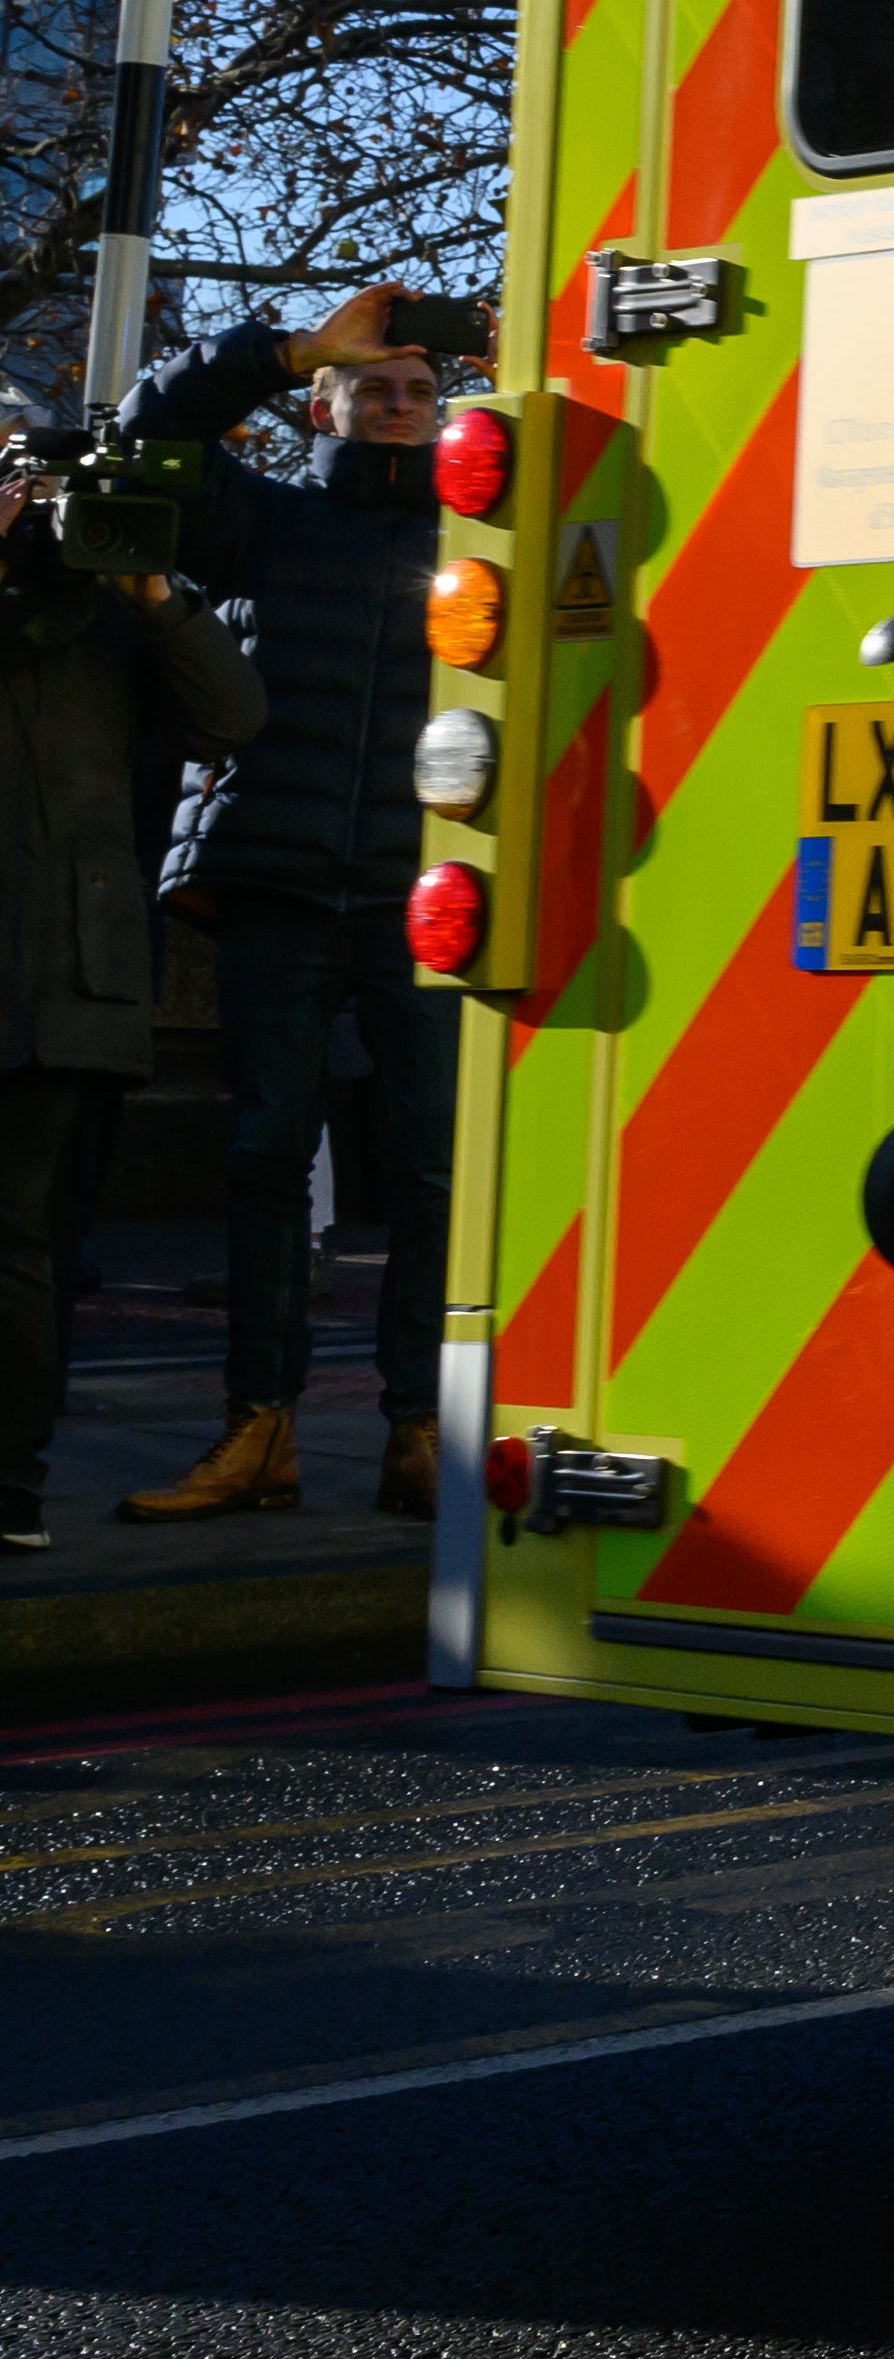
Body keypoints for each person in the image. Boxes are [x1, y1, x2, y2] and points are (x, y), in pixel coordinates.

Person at [115, 286, 457, 1525]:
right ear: (327, 400)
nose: (398, 406)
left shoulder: (488, 549)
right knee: (265, 1154)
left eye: (419, 391)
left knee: (428, 1173)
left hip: (426, 900)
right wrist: (294, 342)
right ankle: (257, 1429)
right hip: (275, 880)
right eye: (374, 386)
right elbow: (149, 431)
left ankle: (417, 1431)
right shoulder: (262, 520)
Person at [0, 401, 269, 1554]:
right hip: (60, 964)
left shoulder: (121, 613)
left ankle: (8, 1487)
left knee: (20, 1242)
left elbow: (235, 714)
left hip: (65, 972)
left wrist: (156, 592)